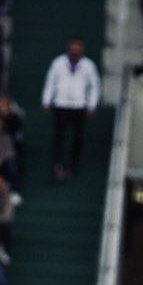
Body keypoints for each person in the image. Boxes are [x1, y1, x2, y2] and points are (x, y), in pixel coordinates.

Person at [40, 37, 100, 181]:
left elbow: (95, 86)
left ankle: (73, 165)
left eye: (78, 48)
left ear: (82, 50)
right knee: (58, 136)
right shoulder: (58, 62)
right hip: (61, 104)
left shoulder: (88, 65)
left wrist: (91, 105)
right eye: (73, 48)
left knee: (77, 137)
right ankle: (57, 165)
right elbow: (50, 81)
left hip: (79, 105)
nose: (75, 51)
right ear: (69, 48)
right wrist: (46, 100)